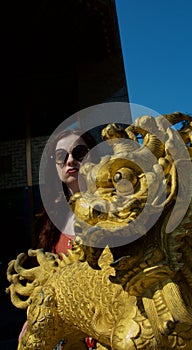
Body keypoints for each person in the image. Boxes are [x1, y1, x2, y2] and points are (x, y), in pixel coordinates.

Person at [19, 127, 97, 350]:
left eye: (79, 152)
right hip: (71, 335)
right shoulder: (52, 221)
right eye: (62, 156)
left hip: (112, 325)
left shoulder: (115, 208)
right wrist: (34, 318)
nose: (70, 160)